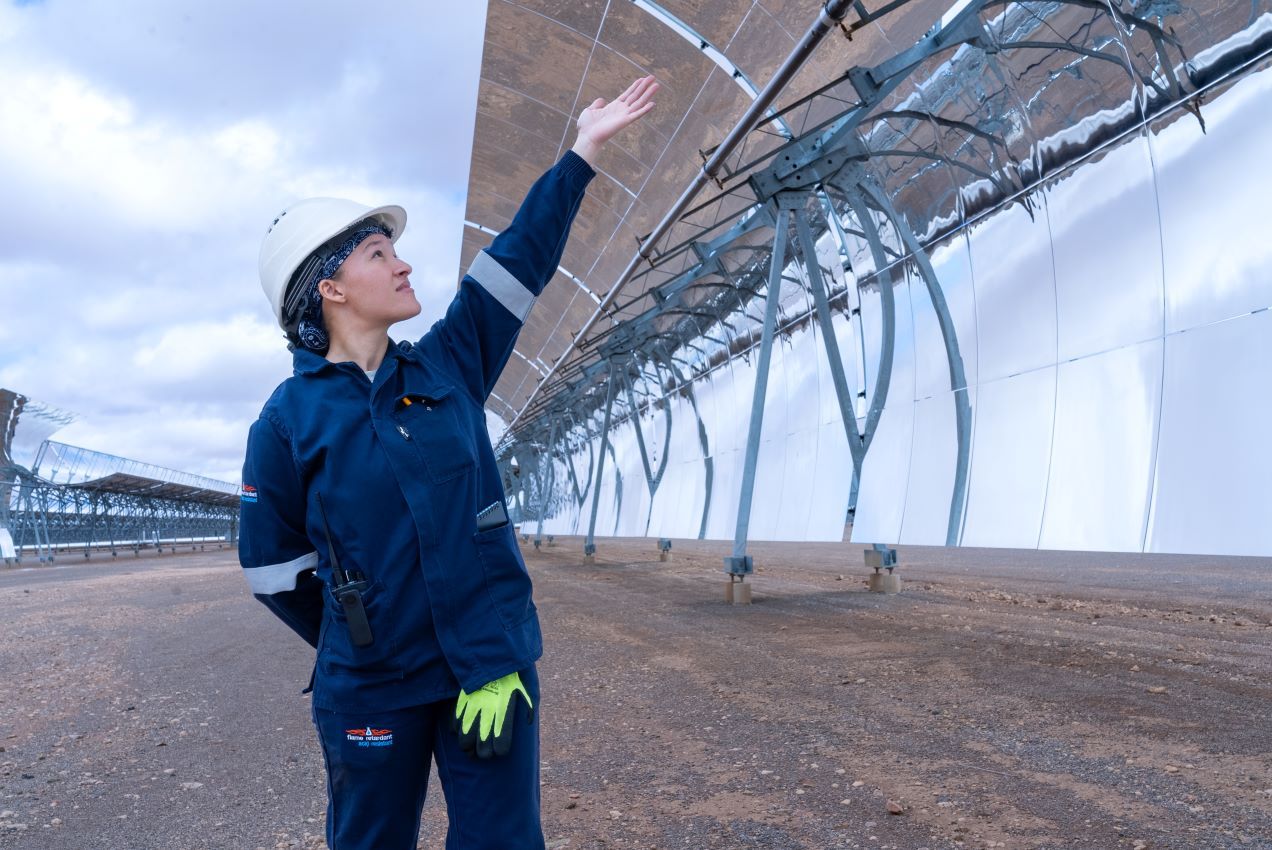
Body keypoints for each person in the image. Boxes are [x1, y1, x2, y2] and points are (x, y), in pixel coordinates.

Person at [238, 76, 659, 849]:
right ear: (330, 288)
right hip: (371, 688)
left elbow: (516, 264)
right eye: (377, 252)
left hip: (487, 673)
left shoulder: (450, 364)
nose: (402, 264)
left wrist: (582, 153)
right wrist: (359, 636)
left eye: (395, 249)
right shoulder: (287, 422)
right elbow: (272, 571)